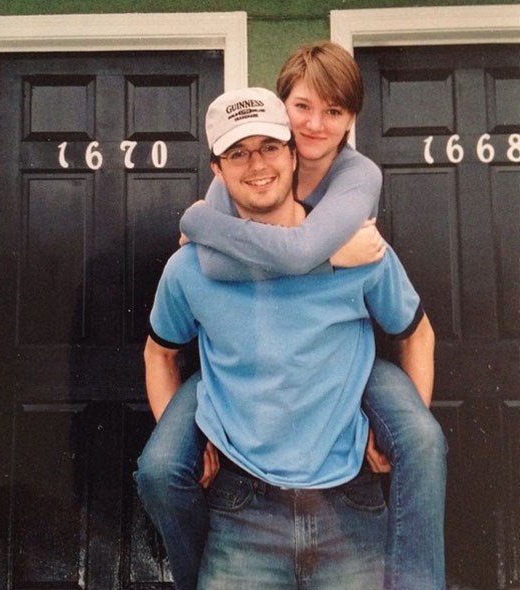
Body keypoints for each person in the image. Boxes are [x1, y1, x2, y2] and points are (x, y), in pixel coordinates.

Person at [137, 43, 447, 590]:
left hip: (347, 505)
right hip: (243, 508)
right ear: (218, 166)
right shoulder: (191, 265)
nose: (258, 165)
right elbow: (160, 351)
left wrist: (391, 433)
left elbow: (415, 332)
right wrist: (193, 437)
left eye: (269, 149)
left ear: (292, 153)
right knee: (161, 469)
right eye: (239, 154)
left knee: (421, 439)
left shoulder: (360, 238)